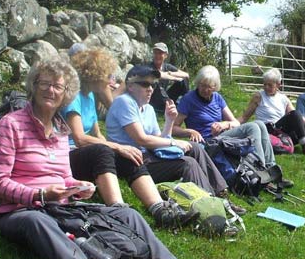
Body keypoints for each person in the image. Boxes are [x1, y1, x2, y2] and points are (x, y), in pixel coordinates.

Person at [0, 57, 227, 259]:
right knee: (37, 220)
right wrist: (39, 196)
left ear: (66, 93)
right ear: (33, 85)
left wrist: (77, 188)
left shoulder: (60, 128)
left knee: (128, 214)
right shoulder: (10, 125)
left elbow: (64, 176)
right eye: (45, 84)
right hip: (19, 210)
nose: (51, 91)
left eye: (58, 86)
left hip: (59, 204)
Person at [63, 47, 190, 225]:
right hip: (67, 155)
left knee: (129, 155)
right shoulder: (73, 97)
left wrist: (121, 150)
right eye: (107, 75)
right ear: (93, 74)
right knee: (105, 150)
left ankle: (160, 209)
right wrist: (116, 146)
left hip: (85, 152)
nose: (110, 81)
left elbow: (97, 133)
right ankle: (118, 209)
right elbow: (79, 138)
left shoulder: (89, 97)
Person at [105, 65, 245, 212]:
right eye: (145, 84)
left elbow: (159, 140)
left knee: (195, 148)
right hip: (131, 161)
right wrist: (173, 141)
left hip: (149, 156)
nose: (150, 89)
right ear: (130, 86)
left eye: (153, 84)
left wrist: (169, 121)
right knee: (188, 163)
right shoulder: (124, 102)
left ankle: (222, 195)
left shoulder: (148, 108)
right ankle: (210, 205)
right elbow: (142, 140)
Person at [172, 65, 278, 170]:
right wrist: (190, 132)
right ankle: (260, 168)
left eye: (209, 86)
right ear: (198, 83)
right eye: (202, 85)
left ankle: (271, 166)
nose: (205, 89)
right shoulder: (188, 99)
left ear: (215, 86)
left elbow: (235, 123)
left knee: (259, 124)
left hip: (221, 136)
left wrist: (225, 124)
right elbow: (173, 129)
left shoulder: (217, 98)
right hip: (207, 141)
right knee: (252, 127)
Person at [239, 68, 305, 162]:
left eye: (270, 85)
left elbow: (297, 117)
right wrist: (233, 124)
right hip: (268, 129)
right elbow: (244, 117)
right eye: (265, 84)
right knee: (296, 115)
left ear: (278, 85)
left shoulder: (283, 98)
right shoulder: (259, 96)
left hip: (281, 131)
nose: (266, 87)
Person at [148, 42, 190, 114]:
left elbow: (186, 75)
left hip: (164, 96)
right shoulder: (148, 67)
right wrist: (173, 78)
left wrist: (170, 73)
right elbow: (158, 74)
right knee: (157, 83)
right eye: (155, 53)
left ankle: (188, 104)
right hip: (153, 100)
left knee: (183, 80)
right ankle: (167, 106)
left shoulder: (167, 67)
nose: (157, 55)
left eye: (160, 53)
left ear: (165, 55)